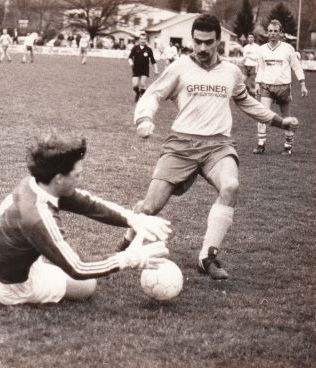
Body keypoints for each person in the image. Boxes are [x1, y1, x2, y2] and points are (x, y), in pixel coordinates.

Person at [117, 14, 299, 280]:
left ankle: (207, 257)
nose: (202, 48)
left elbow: (246, 101)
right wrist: (144, 118)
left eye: (208, 43)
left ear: (219, 42)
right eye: (197, 42)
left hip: (218, 145)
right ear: (193, 40)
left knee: (231, 187)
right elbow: (153, 94)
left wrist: (279, 122)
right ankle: (128, 237)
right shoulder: (180, 67)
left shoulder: (231, 72)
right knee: (150, 208)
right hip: (182, 144)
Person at [0, 131, 170, 305]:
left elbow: (85, 202)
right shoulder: (38, 218)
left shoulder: (31, 184)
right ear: (59, 178)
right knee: (87, 287)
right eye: (77, 174)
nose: (80, 178)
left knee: (1, 228)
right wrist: (132, 258)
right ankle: (12, 284)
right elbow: (78, 268)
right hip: (7, 287)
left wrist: (133, 219)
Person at [253, 19, 308, 156]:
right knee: (263, 115)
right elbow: (260, 68)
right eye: (270, 31)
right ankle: (261, 145)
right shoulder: (262, 49)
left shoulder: (288, 49)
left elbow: (296, 66)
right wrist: (257, 84)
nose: (272, 34)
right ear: (267, 32)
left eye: (275, 31)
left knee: (286, 117)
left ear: (281, 33)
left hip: (283, 88)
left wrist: (302, 84)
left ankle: (288, 145)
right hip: (267, 87)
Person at [128, 33, 159, 103]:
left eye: (144, 39)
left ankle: (142, 97)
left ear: (146, 40)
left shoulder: (149, 49)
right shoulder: (135, 48)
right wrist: (131, 63)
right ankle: (138, 93)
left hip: (144, 69)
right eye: (141, 39)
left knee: (142, 83)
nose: (143, 40)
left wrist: (156, 69)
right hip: (136, 69)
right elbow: (130, 57)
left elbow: (153, 60)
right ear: (139, 40)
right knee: (135, 86)